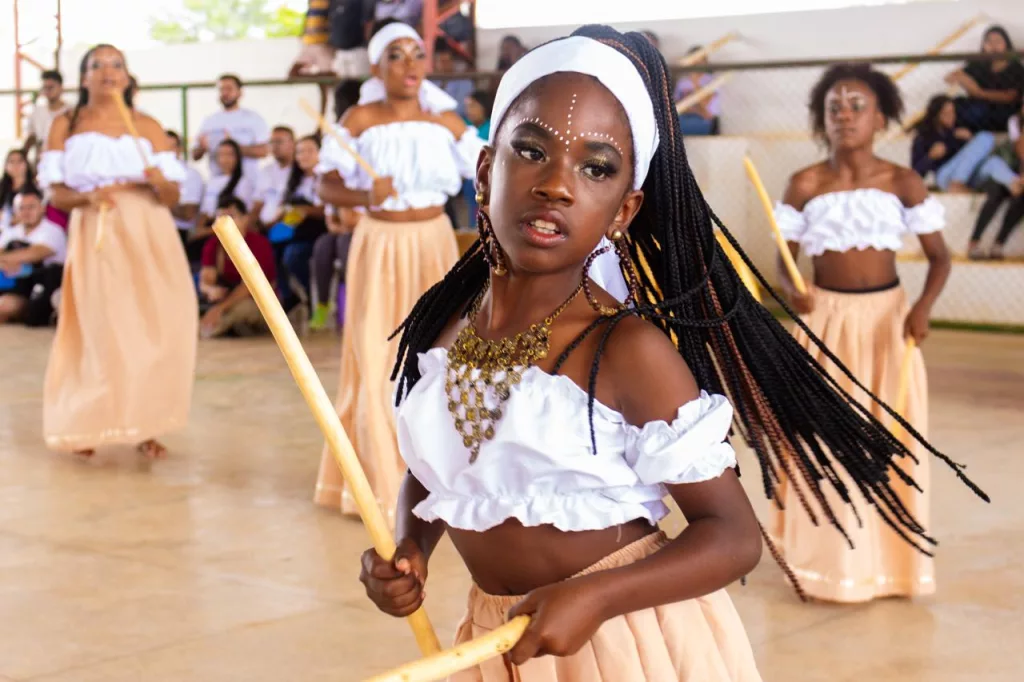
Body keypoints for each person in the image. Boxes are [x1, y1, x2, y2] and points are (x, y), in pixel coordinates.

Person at [358, 29, 984, 679]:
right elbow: (446, 466)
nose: (557, 186)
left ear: (625, 209)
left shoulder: (624, 350)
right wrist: (410, 545)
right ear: (487, 171)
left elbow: (733, 537)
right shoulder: (447, 329)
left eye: (595, 167)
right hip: (498, 643)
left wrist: (595, 597)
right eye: (532, 150)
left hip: (624, 641)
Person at [772, 63, 956, 603]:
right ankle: (829, 568)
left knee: (889, 441)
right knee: (822, 439)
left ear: (881, 117)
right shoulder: (804, 183)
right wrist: (792, 285)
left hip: (888, 324)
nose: (845, 115)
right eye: (835, 107)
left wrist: (922, 308)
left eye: (857, 106)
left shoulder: (903, 181)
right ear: (821, 118)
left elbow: (940, 260)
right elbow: (786, 262)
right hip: (825, 322)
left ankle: (893, 569)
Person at [312, 20, 482, 523]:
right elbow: (325, 186)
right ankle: (379, 479)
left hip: (432, 241)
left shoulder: (447, 122)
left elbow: (489, 170)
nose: (409, 66)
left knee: (441, 351)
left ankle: (441, 473)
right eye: (396, 56)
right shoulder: (359, 118)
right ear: (376, 66)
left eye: (416, 54)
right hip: (379, 245)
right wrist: (365, 195)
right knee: (376, 352)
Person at [39, 43, 197, 459]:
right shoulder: (66, 124)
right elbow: (56, 193)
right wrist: (87, 199)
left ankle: (146, 421)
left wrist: (157, 180)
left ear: (127, 77)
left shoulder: (147, 125)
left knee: (156, 323)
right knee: (103, 326)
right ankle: (88, 422)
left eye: (116, 65)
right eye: (98, 65)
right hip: (98, 229)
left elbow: (172, 195)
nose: (108, 72)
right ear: (84, 76)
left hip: (148, 228)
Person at [198, 197, 276, 338]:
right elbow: (205, 280)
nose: (224, 222)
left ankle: (207, 331)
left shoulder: (259, 244)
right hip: (225, 301)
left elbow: (249, 288)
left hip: (256, 302)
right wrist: (210, 290)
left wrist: (219, 309)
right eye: (220, 217)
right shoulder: (212, 245)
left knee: (243, 309)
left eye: (231, 217)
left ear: (245, 219)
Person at [0, 188, 66, 326]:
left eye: (31, 207)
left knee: (5, 306)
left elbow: (35, 253)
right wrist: (8, 262)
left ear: (42, 208)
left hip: (40, 288)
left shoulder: (53, 230)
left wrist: (8, 259)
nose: (26, 212)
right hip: (11, 284)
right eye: (21, 208)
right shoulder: (11, 232)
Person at [968, 101, 1024, 259]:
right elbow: (992, 167)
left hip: (1017, 185)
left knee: (1021, 199)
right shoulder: (1007, 148)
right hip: (991, 180)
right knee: (996, 193)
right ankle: (974, 242)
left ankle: (998, 244)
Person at [945, 25, 1024, 133]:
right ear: (984, 45)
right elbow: (952, 77)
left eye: (998, 41)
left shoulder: (1016, 67)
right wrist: (962, 78)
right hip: (977, 104)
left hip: (1002, 110)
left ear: (1006, 44)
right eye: (989, 42)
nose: (993, 46)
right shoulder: (978, 63)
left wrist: (979, 93)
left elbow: (1011, 97)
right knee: (951, 105)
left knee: (977, 110)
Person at [191, 74, 270, 180]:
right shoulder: (209, 121)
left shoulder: (253, 118)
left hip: (248, 183)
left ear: (240, 93)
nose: (225, 93)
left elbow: (264, 151)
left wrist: (232, 148)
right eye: (221, 89)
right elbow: (194, 156)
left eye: (229, 89)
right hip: (218, 183)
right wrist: (202, 148)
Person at [911, 94, 995, 192]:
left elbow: (972, 157)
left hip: (967, 175)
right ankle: (957, 183)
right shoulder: (924, 138)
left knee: (987, 141)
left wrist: (971, 140)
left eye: (953, 112)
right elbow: (916, 173)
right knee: (985, 137)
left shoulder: (958, 129)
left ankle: (1014, 184)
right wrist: (930, 157)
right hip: (945, 176)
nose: (951, 117)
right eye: (946, 113)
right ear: (936, 116)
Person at [192, 139, 257, 264]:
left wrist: (207, 231)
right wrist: (199, 230)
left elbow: (239, 217)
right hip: (211, 230)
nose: (224, 159)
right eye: (221, 154)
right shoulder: (212, 181)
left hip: (229, 233)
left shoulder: (244, 183)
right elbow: (205, 212)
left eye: (229, 154)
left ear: (237, 157)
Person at [252, 126, 297, 229]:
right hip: (263, 229)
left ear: (292, 144)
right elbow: (257, 204)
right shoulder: (265, 171)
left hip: (287, 229)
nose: (275, 146)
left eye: (279, 142)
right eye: (272, 142)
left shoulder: (301, 171)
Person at [165, 130, 204, 246]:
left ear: (180, 149)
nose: (167, 152)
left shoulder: (190, 174)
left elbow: (188, 213)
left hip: (179, 235)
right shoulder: (148, 173)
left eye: (172, 147)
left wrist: (159, 199)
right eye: (164, 147)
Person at [23, 70, 70, 162]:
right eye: (45, 88)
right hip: (42, 161)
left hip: (65, 160)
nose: (48, 91)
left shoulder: (71, 112)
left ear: (61, 88)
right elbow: (31, 137)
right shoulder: (37, 112)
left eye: (51, 87)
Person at [675, 46, 721, 136]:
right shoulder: (682, 82)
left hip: (704, 121)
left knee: (675, 129)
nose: (697, 63)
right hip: (684, 118)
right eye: (694, 60)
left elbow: (706, 112)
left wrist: (695, 82)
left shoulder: (711, 81)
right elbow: (676, 108)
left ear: (706, 62)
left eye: (701, 60)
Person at [0, 149, 38, 232]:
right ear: (6, 166)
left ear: (26, 164)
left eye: (20, 161)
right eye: (11, 162)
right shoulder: (2, 188)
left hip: (25, 231)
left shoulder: (36, 188)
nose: (16, 165)